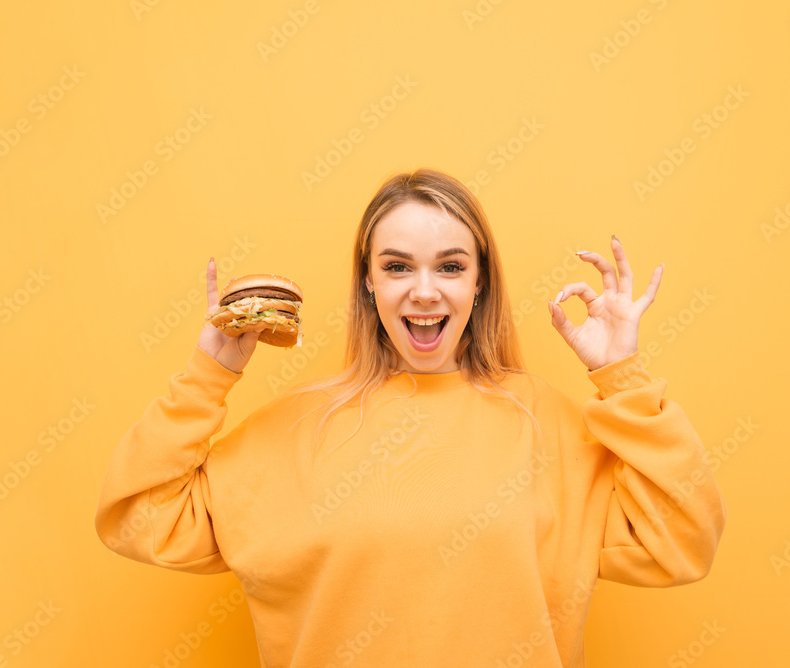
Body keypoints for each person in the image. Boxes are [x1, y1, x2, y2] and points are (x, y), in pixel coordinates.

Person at [94, 168, 725, 667]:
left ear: (480, 284)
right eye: (397, 266)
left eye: (451, 266)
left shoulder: (545, 425)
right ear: (368, 282)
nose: (424, 291)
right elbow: (136, 518)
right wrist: (210, 375)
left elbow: (684, 540)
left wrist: (623, 377)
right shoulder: (291, 431)